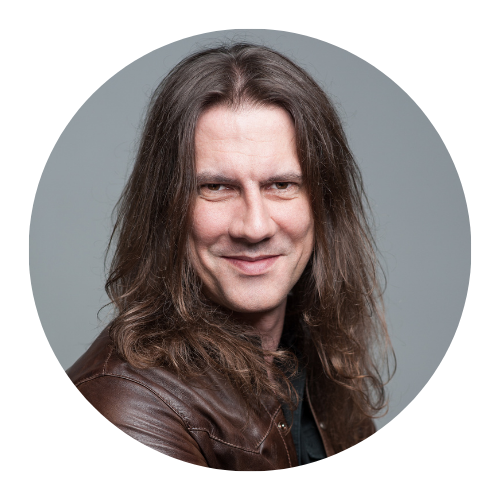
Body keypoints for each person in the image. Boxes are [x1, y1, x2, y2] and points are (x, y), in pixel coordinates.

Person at [66, 43, 394, 470]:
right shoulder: (128, 403)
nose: (254, 227)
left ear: (323, 203)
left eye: (281, 185)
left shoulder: (311, 360)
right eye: (216, 187)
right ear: (166, 208)